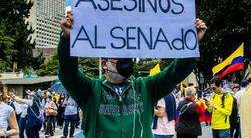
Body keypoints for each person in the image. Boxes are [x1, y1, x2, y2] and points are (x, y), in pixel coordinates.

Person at [58, 11, 207, 138]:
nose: (125, 60)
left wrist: (191, 44)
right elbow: (68, 73)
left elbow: (174, 73)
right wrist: (67, 40)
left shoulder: (145, 86)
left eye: (127, 56)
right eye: (118, 57)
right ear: (105, 63)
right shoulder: (90, 89)